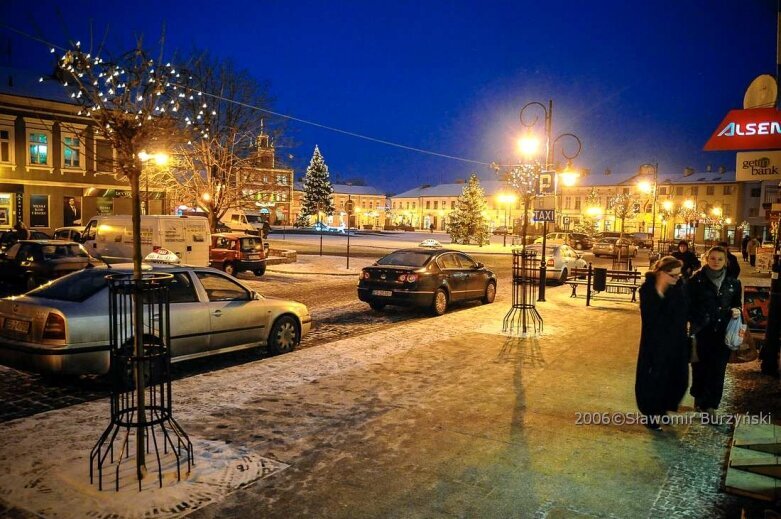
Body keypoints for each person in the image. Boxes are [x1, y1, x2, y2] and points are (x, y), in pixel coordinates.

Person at [635, 256, 690, 431]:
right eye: (672, 275)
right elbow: (650, 316)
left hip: (676, 342)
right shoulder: (648, 289)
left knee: (678, 379)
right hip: (654, 343)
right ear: (661, 272)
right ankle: (651, 414)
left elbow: (683, 313)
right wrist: (659, 291)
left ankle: (664, 407)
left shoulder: (679, 288)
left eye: (678, 275)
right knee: (653, 378)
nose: (676, 279)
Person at [687, 246, 742, 418]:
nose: (716, 262)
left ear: (726, 261)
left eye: (720, 259)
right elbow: (688, 305)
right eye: (712, 258)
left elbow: (737, 303)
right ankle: (699, 399)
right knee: (700, 367)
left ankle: (711, 406)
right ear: (706, 259)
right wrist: (697, 319)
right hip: (702, 331)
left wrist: (737, 310)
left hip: (723, 332)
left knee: (718, 369)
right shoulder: (696, 281)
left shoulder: (733, 283)